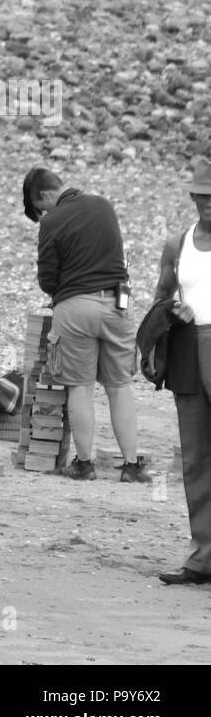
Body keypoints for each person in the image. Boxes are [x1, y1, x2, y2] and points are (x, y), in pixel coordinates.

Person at [23, 167, 152, 483]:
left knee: (79, 387)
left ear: (44, 196)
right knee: (119, 387)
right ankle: (131, 466)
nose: (43, 214)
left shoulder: (51, 222)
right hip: (117, 305)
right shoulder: (103, 205)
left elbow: (48, 279)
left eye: (40, 208)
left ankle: (84, 464)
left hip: (75, 307)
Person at [152, 162, 211, 584]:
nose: (207, 204)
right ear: (192, 198)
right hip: (191, 350)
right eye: (202, 197)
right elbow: (161, 294)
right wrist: (170, 312)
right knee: (196, 459)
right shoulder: (178, 243)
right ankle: (202, 557)